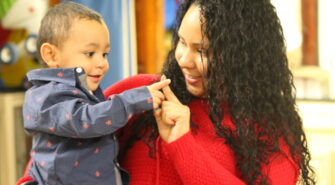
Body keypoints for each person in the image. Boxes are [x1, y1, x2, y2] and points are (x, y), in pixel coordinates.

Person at [18, 0, 316, 185]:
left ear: (245, 56)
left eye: (203, 51)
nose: (183, 59)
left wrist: (181, 144)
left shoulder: (271, 129)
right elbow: (51, 158)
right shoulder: (140, 93)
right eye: (182, 43)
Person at [19, 2, 170, 185]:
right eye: (90, 53)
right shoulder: (45, 98)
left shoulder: (82, 93)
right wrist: (133, 100)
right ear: (51, 55)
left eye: (105, 54)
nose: (102, 63)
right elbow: (85, 120)